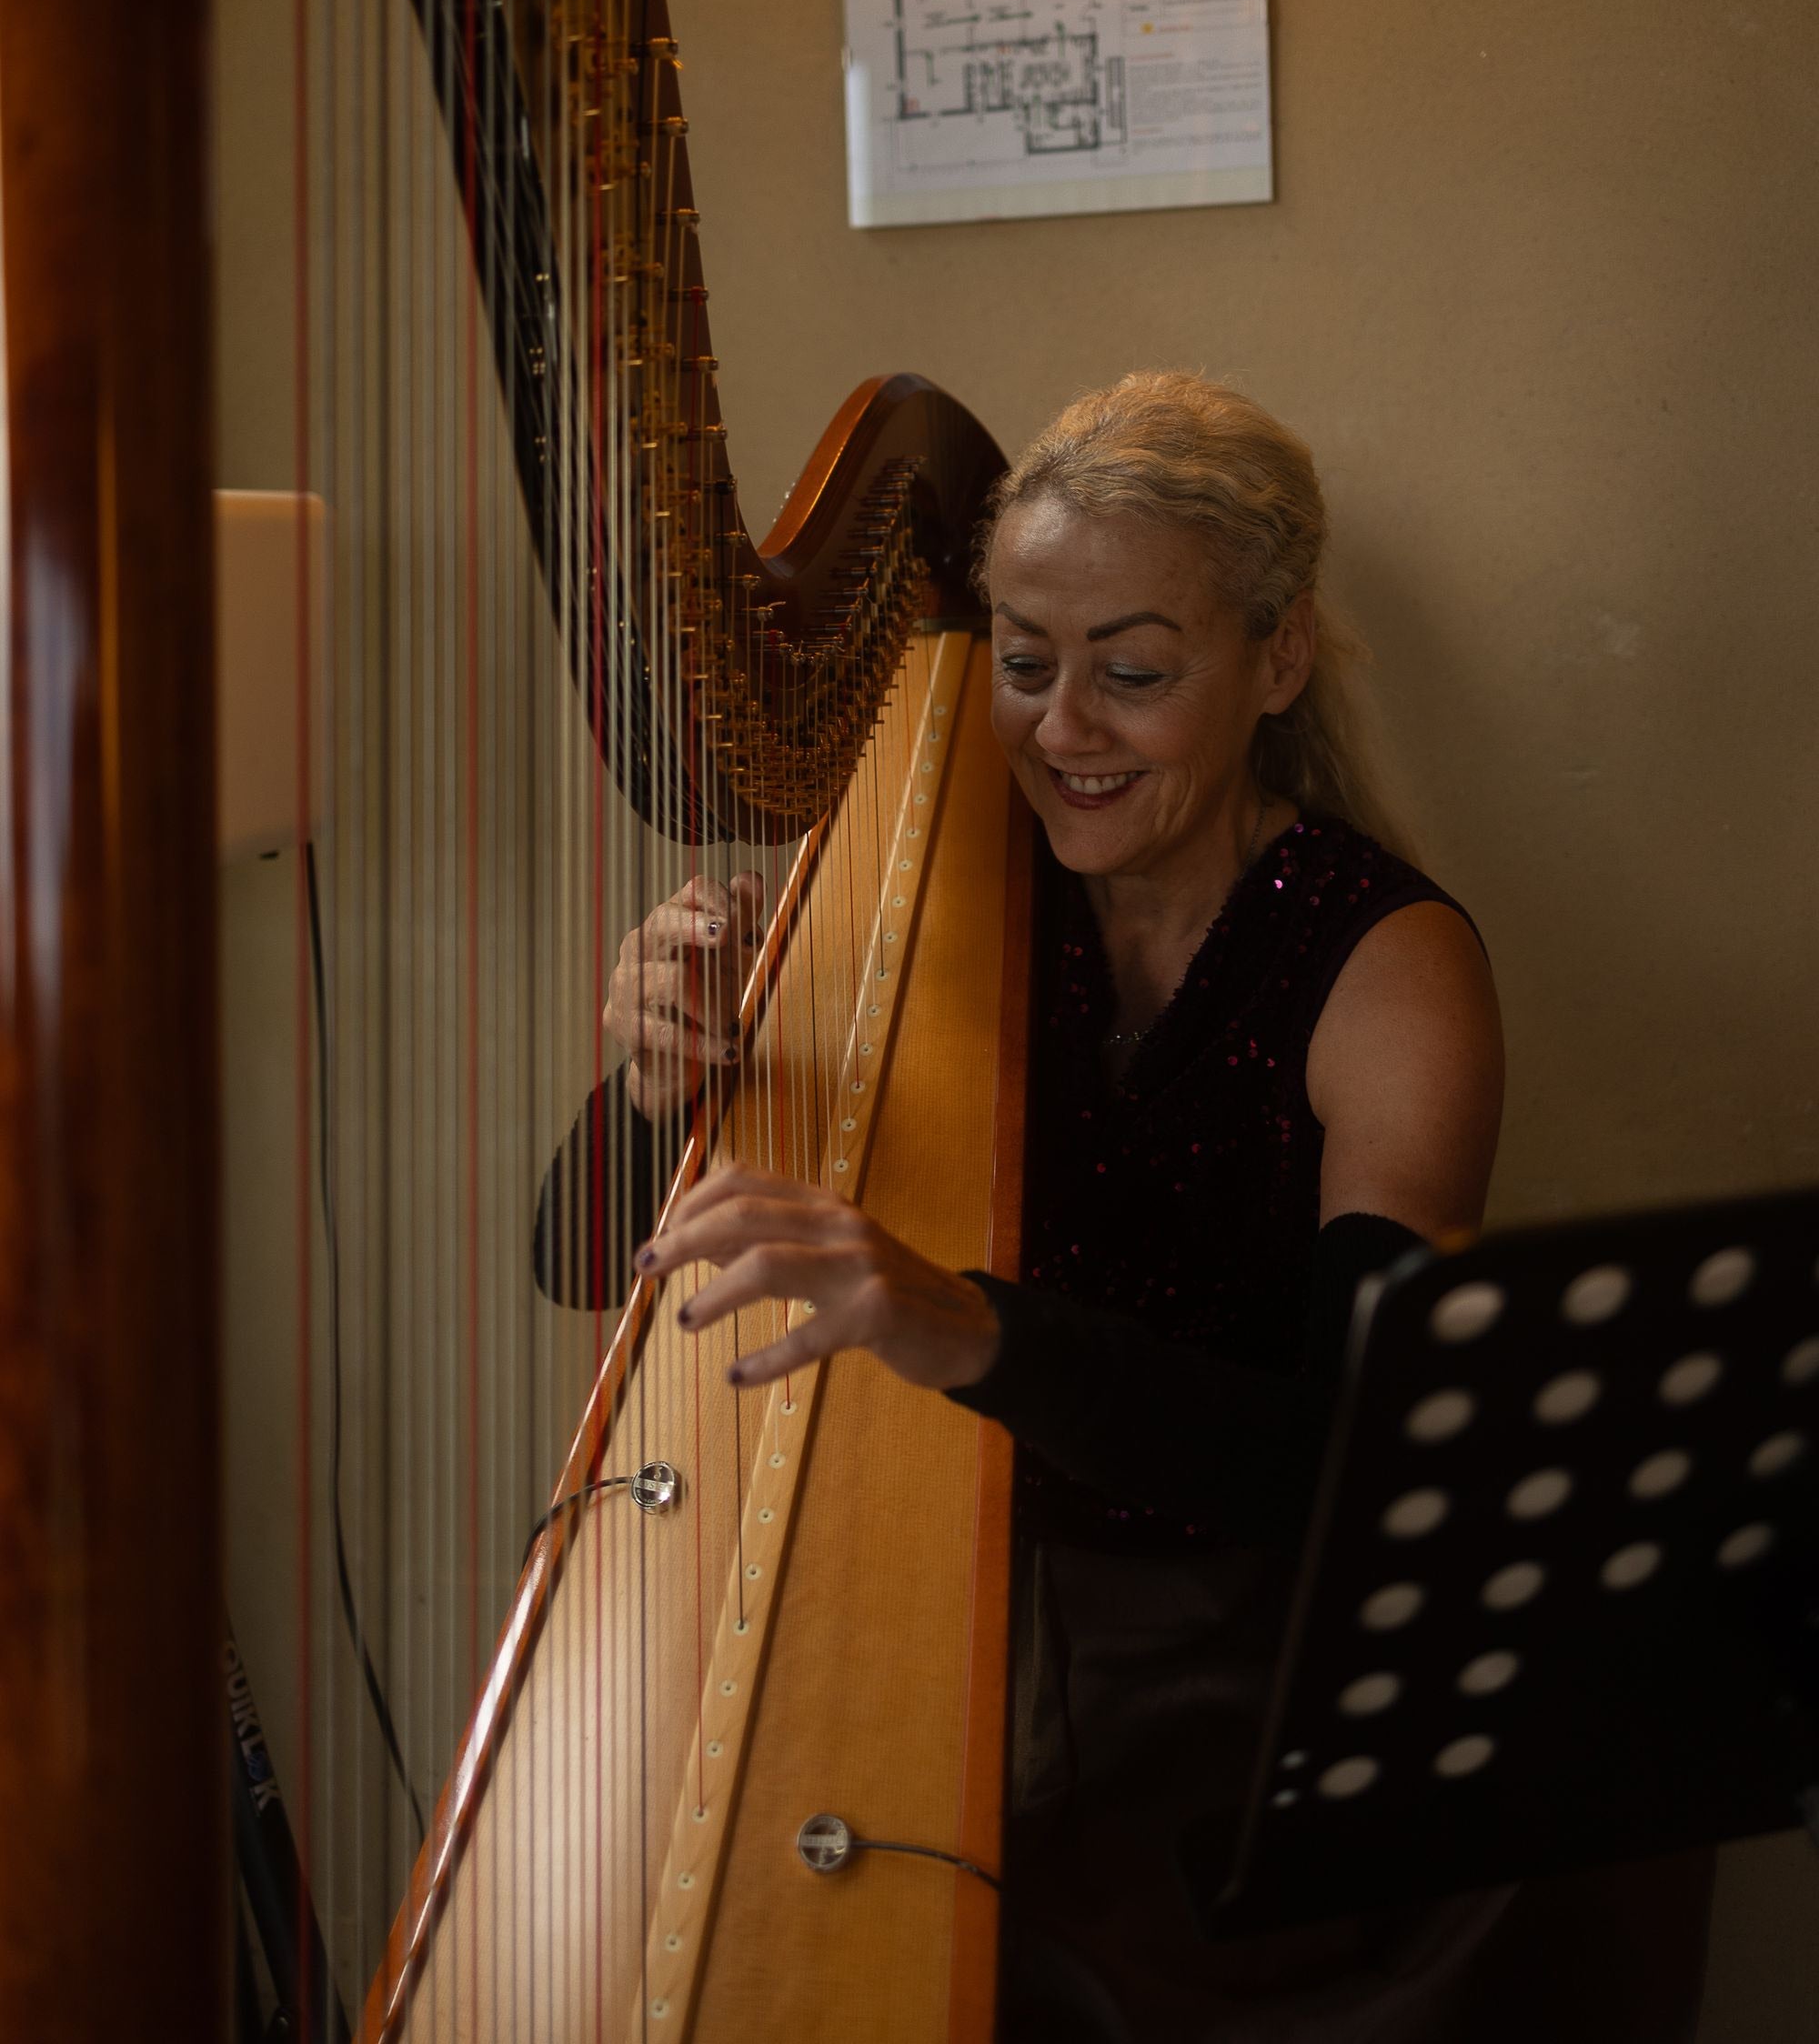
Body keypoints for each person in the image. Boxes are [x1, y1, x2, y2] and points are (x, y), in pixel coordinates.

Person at [538, 372, 1711, 2043]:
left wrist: (968, 1329)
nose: (1062, 728)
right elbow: (572, 1265)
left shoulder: (1383, 968)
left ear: (1276, 660)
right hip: (961, 1616)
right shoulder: (928, 892)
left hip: (1232, 1668)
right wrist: (652, 1088)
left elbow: (1340, 1463)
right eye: (1024, 662)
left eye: (1134, 672)